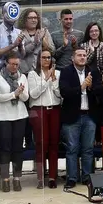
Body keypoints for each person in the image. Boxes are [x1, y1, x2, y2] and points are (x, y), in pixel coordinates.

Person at [59, 47, 103, 188]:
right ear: (73, 58)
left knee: (88, 149)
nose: (82, 57)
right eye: (79, 55)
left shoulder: (93, 72)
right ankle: (72, 178)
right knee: (72, 149)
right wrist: (82, 87)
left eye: (84, 55)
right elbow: (64, 92)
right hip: (73, 116)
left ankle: (86, 177)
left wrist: (90, 88)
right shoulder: (66, 72)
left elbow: (100, 91)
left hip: (89, 116)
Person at [0, 53, 29, 192]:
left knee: (18, 148)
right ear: (6, 63)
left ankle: (17, 178)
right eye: (12, 64)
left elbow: (26, 98)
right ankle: (5, 179)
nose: (14, 67)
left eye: (17, 64)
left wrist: (20, 93)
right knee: (5, 148)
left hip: (20, 115)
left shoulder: (22, 77)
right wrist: (13, 94)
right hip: (3, 116)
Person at [27, 49, 62, 189]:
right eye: (44, 57)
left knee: (54, 143)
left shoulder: (57, 73)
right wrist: (46, 80)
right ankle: (41, 177)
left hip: (54, 109)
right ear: (39, 59)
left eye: (49, 57)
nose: (47, 60)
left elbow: (59, 95)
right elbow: (33, 94)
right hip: (38, 109)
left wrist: (53, 81)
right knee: (42, 143)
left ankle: (53, 177)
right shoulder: (32, 74)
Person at [16, 8, 53, 74]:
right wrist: (35, 43)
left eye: (35, 18)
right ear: (24, 20)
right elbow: (19, 53)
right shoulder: (19, 33)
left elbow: (52, 50)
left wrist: (44, 41)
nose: (33, 20)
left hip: (41, 70)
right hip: (24, 71)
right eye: (30, 18)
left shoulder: (44, 31)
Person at [0, 5, 24, 71]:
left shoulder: (19, 32)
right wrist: (13, 45)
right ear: (2, 15)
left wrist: (20, 45)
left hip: (15, 68)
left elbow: (22, 55)